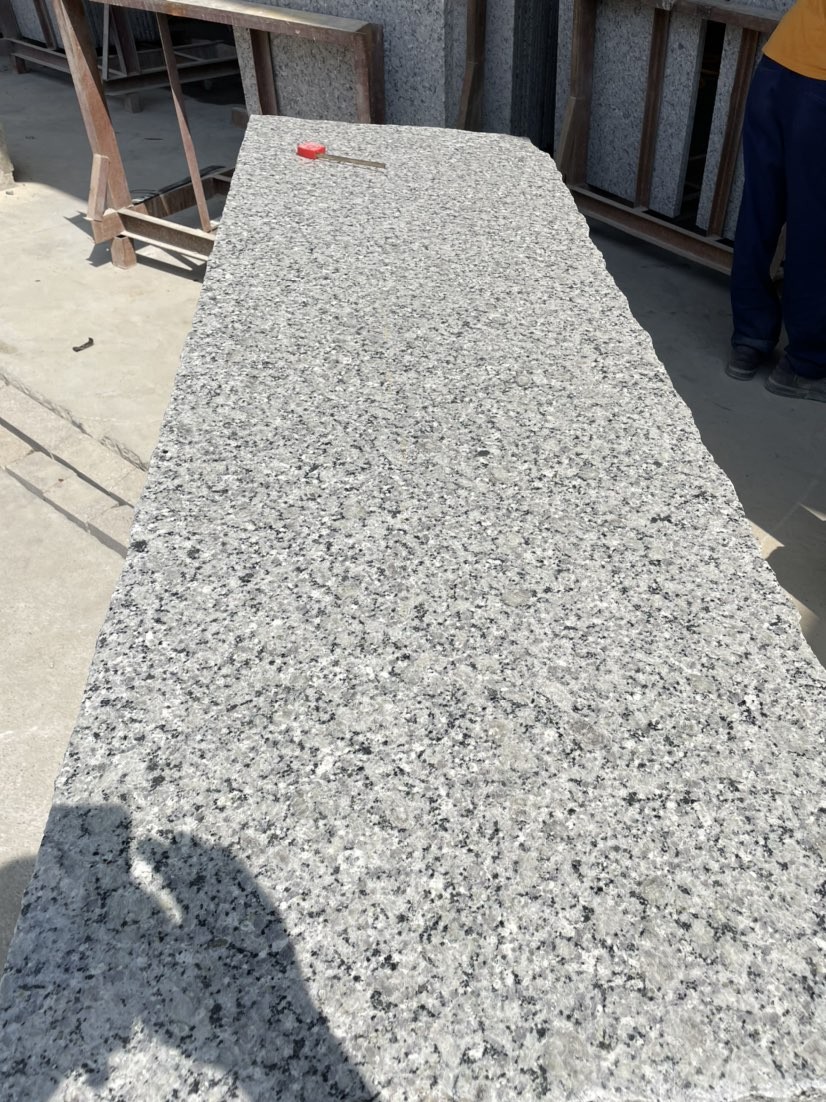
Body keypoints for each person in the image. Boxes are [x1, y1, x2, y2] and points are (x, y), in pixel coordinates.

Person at [727, 0, 826, 402]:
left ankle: (749, 339)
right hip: (820, 88)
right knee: (814, 227)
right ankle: (805, 365)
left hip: (778, 65)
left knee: (760, 210)